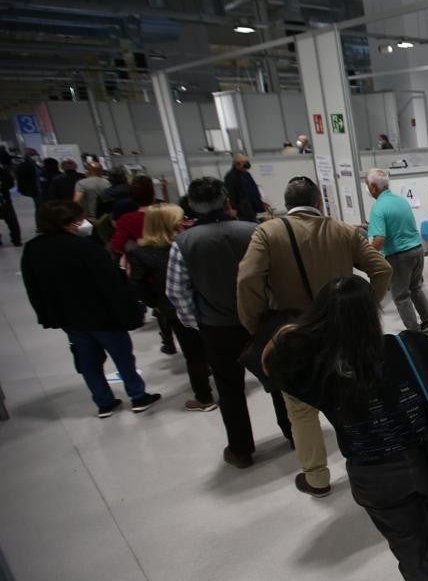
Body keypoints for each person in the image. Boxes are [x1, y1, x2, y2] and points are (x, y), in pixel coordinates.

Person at [264, 276, 428, 581]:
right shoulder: (407, 346)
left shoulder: (314, 370)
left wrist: (301, 329)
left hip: (374, 475)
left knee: (409, 547)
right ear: (373, 313)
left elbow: (270, 358)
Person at [238, 175, 392, 497]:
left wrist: (254, 323)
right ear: (319, 202)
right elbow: (381, 269)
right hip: (342, 330)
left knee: (301, 408)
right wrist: (363, 310)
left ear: (287, 203)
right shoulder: (342, 230)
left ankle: (317, 477)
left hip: (294, 334)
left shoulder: (267, 233)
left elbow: (248, 279)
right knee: (351, 395)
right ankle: (371, 459)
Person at [167, 177, 290, 469]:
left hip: (216, 327)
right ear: (227, 201)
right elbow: (276, 275)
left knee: (229, 388)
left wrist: (195, 322)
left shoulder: (183, 243)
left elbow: (176, 290)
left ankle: (241, 449)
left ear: (191, 207)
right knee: (277, 378)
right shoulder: (255, 231)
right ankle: (294, 433)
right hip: (260, 321)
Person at [21, 200, 160, 416]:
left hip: (69, 316)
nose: (84, 223)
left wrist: (47, 314)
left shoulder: (34, 249)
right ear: (69, 223)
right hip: (102, 313)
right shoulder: (85, 248)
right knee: (122, 355)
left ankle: (104, 401)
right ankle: (137, 395)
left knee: (88, 360)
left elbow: (33, 285)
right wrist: (130, 310)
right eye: (79, 220)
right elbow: (110, 283)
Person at [127, 203, 215, 411]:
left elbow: (136, 284)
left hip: (174, 309)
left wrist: (156, 302)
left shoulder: (143, 253)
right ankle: (213, 391)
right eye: (179, 219)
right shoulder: (190, 243)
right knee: (207, 350)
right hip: (203, 304)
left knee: (194, 354)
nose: (184, 222)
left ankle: (204, 398)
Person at [366, 168, 428, 333]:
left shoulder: (378, 208)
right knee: (415, 287)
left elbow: (379, 239)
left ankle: (414, 332)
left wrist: (366, 257)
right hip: (417, 250)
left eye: (367, 184)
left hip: (399, 256)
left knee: (400, 296)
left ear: (373, 187)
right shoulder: (401, 201)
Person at [111, 175, 157, 257]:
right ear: (153, 195)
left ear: (132, 197)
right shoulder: (166, 215)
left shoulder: (126, 220)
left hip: (140, 263)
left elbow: (117, 246)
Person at [223, 153, 266, 222]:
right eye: (244, 162)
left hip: (254, 207)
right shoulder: (230, 177)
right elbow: (231, 195)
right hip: (243, 211)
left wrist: (260, 203)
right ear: (237, 164)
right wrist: (233, 209)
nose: (246, 164)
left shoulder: (246, 174)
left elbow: (253, 189)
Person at [0, 166, 21, 246]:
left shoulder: (2, 171)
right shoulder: (2, 171)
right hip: (5, 200)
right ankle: (16, 239)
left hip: (4, 200)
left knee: (11, 221)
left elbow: (10, 183)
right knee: (12, 221)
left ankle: (16, 239)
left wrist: (3, 186)